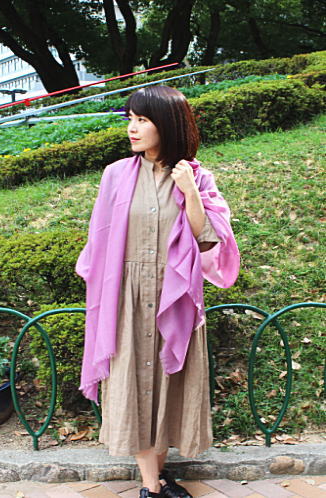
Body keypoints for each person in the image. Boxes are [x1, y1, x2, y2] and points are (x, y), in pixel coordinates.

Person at [75, 85, 240, 498]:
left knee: (170, 384)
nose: (132, 128)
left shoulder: (197, 176)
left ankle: (158, 476)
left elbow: (209, 241)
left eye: (142, 120)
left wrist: (190, 192)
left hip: (176, 296)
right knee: (133, 384)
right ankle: (152, 485)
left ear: (166, 124)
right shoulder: (115, 174)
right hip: (125, 297)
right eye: (129, 119)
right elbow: (100, 239)